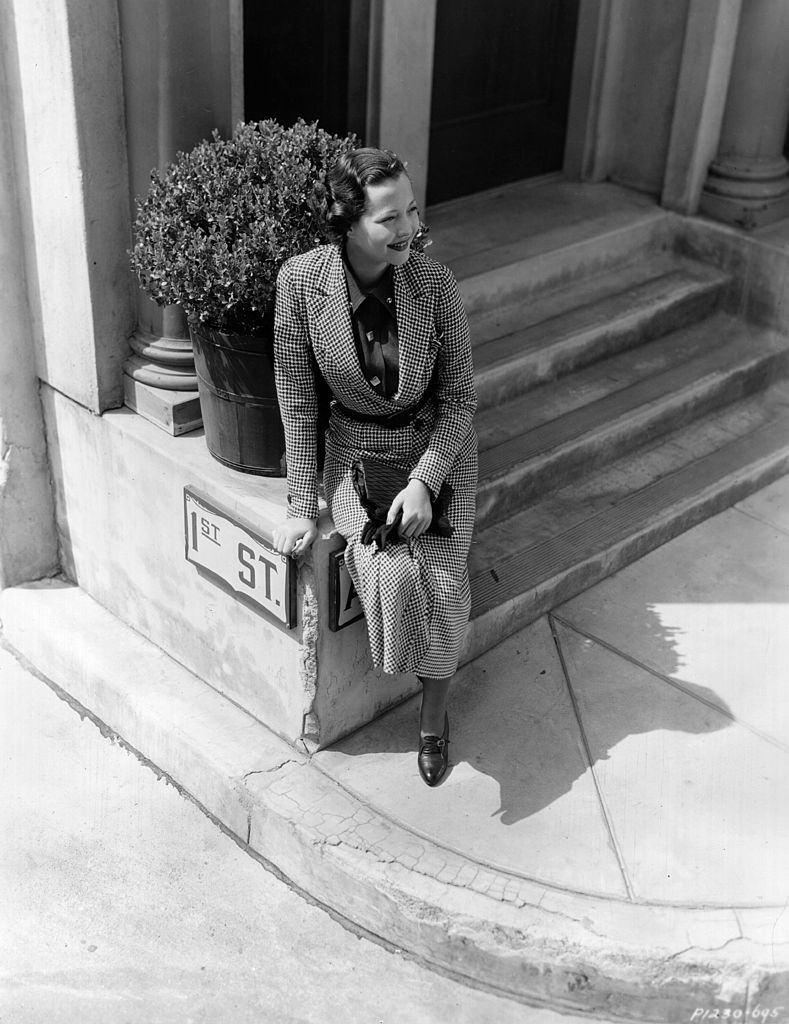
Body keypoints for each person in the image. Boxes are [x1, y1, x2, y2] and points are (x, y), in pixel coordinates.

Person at [272, 148, 477, 786]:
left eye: (412, 211)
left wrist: (425, 481)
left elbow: (461, 399)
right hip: (357, 454)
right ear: (348, 222)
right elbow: (299, 398)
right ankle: (414, 657)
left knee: (442, 585)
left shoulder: (434, 285)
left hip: (434, 451)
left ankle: (433, 718)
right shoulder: (302, 284)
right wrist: (304, 506)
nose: (410, 229)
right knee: (391, 581)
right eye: (390, 219)